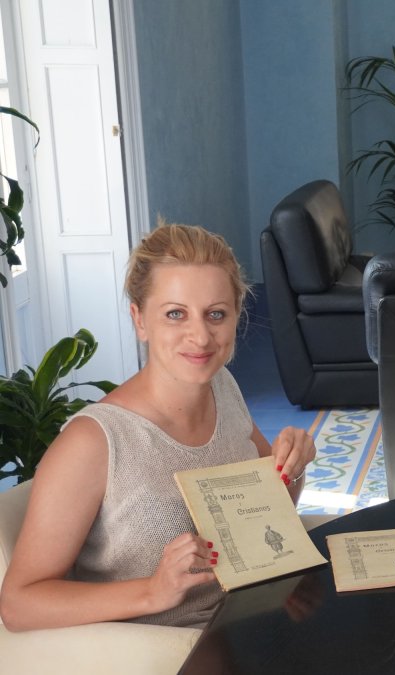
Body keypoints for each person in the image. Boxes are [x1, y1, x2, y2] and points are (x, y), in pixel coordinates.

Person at [0, 221, 316, 631]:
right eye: (175, 314)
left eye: (216, 314)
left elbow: (264, 516)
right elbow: (19, 605)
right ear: (140, 320)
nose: (200, 336)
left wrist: (292, 466)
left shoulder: (223, 387)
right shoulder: (94, 442)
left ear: (237, 316)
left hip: (246, 625)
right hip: (160, 654)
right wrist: (153, 590)